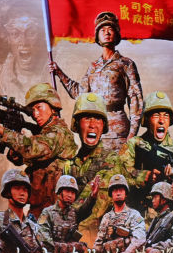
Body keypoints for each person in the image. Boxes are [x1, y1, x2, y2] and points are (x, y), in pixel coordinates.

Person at [50, 11, 143, 150]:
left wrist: (132, 135)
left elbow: (135, 99)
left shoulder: (126, 64)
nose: (107, 33)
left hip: (119, 131)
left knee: (119, 164)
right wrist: (59, 73)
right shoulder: (93, 67)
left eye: (110, 29)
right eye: (102, 30)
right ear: (97, 36)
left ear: (116, 34)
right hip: (96, 129)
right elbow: (79, 93)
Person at [0, 82, 78, 217]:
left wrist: (0, 129)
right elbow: (19, 159)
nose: (35, 114)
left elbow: (33, 149)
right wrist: (15, 135)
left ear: (53, 107)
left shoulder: (60, 132)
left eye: (39, 107)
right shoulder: (42, 133)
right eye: (32, 110)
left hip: (57, 210)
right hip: (39, 206)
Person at [63, 92, 127, 246]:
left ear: (103, 126)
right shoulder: (70, 164)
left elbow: (96, 210)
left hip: (95, 240)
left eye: (98, 119)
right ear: (77, 125)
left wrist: (68, 227)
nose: (92, 124)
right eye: (87, 118)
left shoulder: (111, 160)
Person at [120, 91, 173, 210]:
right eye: (156, 115)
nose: (161, 120)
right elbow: (120, 175)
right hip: (136, 211)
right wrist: (145, 176)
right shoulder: (133, 144)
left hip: (166, 213)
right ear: (147, 119)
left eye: (166, 116)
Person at [87, 174, 145, 253]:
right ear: (111, 194)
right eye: (115, 190)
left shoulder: (134, 215)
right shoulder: (106, 217)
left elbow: (140, 238)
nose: (118, 193)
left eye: (121, 190)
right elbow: (98, 242)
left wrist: (128, 252)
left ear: (126, 193)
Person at [37, 174, 89, 253]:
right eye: (67, 191)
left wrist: (93, 197)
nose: (70, 195)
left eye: (73, 193)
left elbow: (86, 209)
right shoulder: (47, 212)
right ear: (59, 191)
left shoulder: (74, 213)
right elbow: (44, 240)